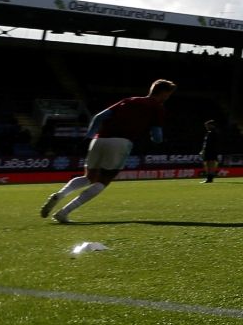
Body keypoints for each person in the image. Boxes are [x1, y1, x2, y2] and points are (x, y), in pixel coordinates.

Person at [42, 80, 175, 223]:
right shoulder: (157, 107)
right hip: (121, 142)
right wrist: (157, 139)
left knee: (89, 177)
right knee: (104, 180)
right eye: (168, 94)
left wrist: (89, 136)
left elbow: (99, 117)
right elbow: (157, 136)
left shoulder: (129, 100)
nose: (168, 97)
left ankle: (61, 194)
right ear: (163, 93)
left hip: (99, 140)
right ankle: (64, 212)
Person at [197, 118, 222, 183]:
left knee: (210, 164)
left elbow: (212, 143)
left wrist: (204, 150)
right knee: (208, 164)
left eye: (207, 125)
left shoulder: (214, 133)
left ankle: (210, 178)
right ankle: (209, 178)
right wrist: (203, 150)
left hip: (211, 151)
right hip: (209, 151)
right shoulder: (209, 133)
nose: (206, 127)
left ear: (211, 125)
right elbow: (205, 143)